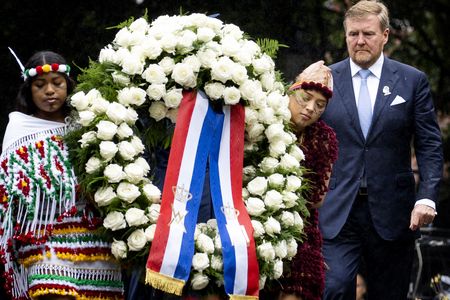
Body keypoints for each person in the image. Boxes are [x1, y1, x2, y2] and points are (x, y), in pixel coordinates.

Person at [318, 1, 444, 299]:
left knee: (389, 294)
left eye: (368, 34)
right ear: (345, 35)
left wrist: (426, 196)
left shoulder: (412, 81)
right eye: (353, 34)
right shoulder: (325, 79)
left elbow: (429, 144)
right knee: (332, 289)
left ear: (385, 35)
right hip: (338, 209)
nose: (360, 41)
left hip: (394, 211)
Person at [0, 51, 124, 300]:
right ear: (29, 90)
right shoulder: (19, 129)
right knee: (52, 291)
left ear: (68, 86)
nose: (49, 91)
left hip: (92, 233)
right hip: (42, 233)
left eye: (57, 83)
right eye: (40, 85)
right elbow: (10, 187)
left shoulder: (89, 126)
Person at [266, 61, 338, 300]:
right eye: (304, 98)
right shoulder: (265, 119)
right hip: (249, 218)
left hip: (299, 227)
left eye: (320, 105)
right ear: (290, 91)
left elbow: (317, 198)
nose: (309, 108)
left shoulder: (324, 138)